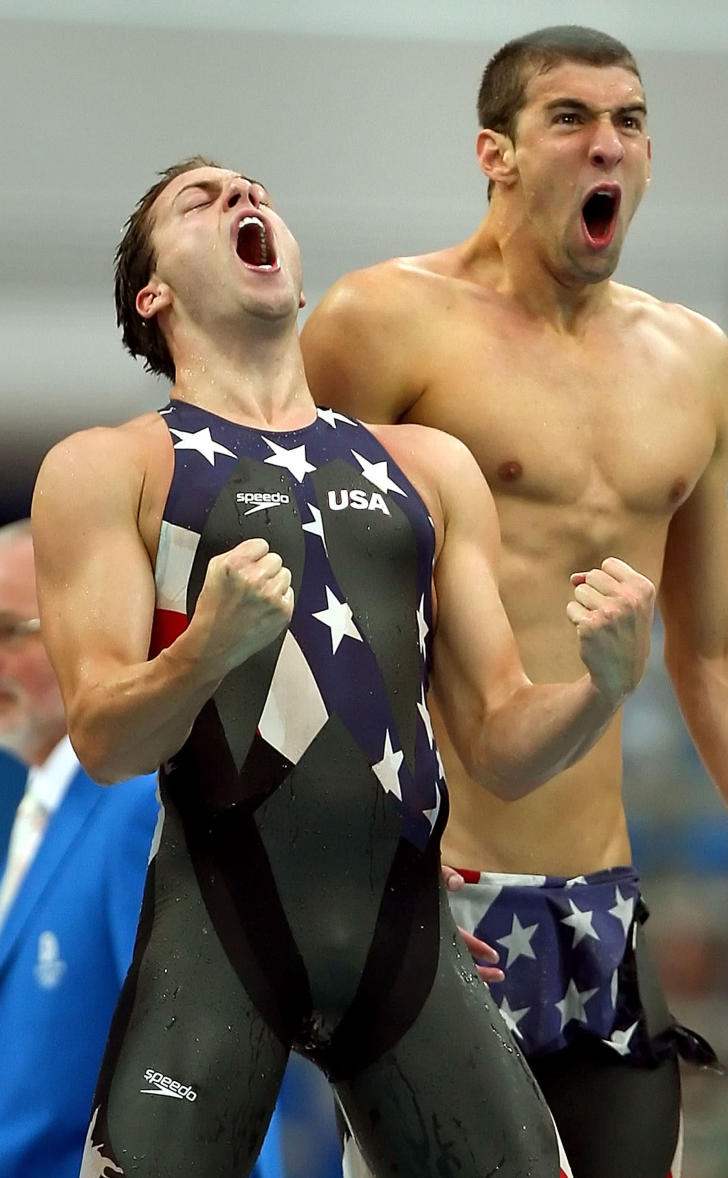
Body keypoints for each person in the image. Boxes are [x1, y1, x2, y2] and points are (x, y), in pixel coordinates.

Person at [299, 25, 728, 1178]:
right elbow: (312, 613)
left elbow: (718, 642)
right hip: (437, 895)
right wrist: (358, 847)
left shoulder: (692, 361)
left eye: (631, 121)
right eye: (571, 120)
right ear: (493, 152)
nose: (610, 145)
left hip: (597, 903)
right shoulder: (379, 324)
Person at [31, 157, 657, 1178]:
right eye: (204, 198)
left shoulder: (429, 467)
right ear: (154, 295)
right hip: (221, 937)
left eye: (256, 189)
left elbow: (501, 736)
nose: (247, 198)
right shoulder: (115, 468)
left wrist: (605, 685)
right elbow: (104, 739)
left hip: (404, 949)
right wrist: (204, 649)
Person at [0, 520, 286, 1178]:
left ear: (84, 634)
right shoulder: (43, 810)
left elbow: (199, 1052)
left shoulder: (140, 809)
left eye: (10, 631)